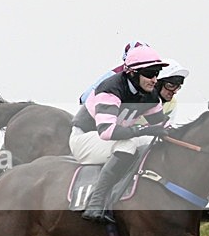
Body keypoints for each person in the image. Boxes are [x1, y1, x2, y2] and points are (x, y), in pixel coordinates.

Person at [70, 45, 170, 223]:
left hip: (111, 140)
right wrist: (145, 129)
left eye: (157, 73)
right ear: (132, 73)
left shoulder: (150, 95)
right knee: (129, 144)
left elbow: (163, 127)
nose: (155, 79)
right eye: (149, 73)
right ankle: (95, 203)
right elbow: (107, 132)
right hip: (86, 139)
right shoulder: (110, 89)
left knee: (152, 143)